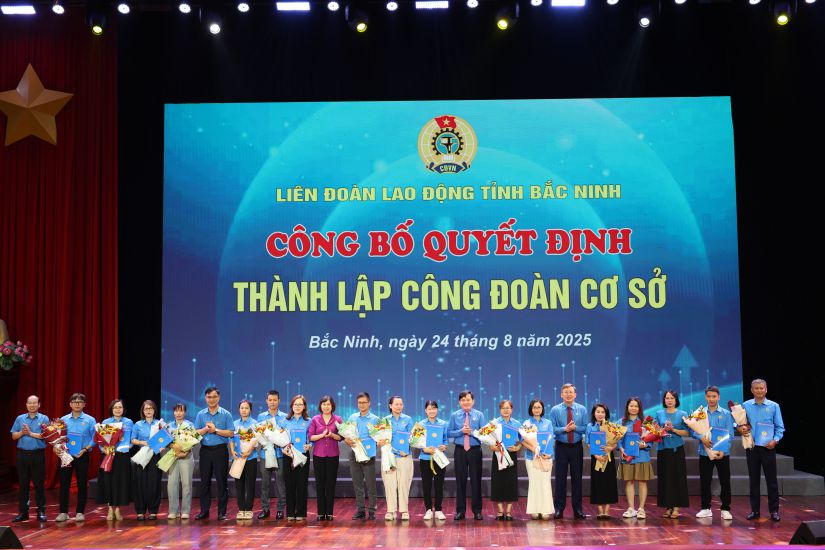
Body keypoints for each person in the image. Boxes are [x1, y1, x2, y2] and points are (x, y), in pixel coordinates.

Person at [739, 378, 785, 522]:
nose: (759, 391)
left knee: (771, 480)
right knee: (754, 480)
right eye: (756, 388)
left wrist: (775, 440)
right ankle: (755, 510)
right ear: (752, 390)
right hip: (752, 447)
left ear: (766, 389)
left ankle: (774, 511)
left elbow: (780, 427)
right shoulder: (745, 405)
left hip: (768, 448)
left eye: (761, 388)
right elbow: (740, 424)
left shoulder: (774, 406)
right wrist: (741, 429)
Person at [693, 385, 734, 521]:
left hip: (722, 453)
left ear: (719, 397)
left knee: (725, 482)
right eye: (709, 396)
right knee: (705, 481)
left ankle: (726, 509)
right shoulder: (700, 413)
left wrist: (724, 450)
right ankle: (705, 508)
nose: (711, 399)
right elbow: (693, 431)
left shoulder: (726, 414)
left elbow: (731, 434)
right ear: (705, 397)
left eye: (714, 396)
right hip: (705, 453)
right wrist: (701, 438)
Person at [194, 386, 235, 521]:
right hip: (205, 451)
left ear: (219, 397)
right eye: (209, 397)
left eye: (214, 397)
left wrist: (216, 430)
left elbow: (230, 432)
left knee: (221, 482)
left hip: (220, 450)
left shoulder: (226, 414)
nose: (211, 399)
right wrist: (205, 429)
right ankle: (204, 511)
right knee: (204, 482)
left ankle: (221, 513)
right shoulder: (201, 414)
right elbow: (195, 433)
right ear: (205, 398)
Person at [549, 383, 588, 519]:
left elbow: (585, 428)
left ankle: (578, 509)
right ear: (561, 394)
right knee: (560, 479)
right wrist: (564, 429)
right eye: (565, 392)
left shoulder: (582, 409)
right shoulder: (555, 410)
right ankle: (559, 509)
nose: (568, 394)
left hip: (577, 447)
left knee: (577, 479)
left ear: (575, 394)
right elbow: (552, 428)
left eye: (571, 392)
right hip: (561, 447)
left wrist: (575, 428)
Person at [57, 392, 97, 522]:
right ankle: (63, 512)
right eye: (74, 401)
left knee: (81, 483)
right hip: (66, 455)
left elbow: (95, 438)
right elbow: (58, 437)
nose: (77, 404)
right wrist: (59, 447)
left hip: (82, 455)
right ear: (70, 404)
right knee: (64, 483)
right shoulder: (63, 420)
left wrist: (85, 449)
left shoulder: (90, 420)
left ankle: (80, 512)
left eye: (80, 402)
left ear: (84, 404)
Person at [447, 390, 486, 521]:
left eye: (468, 399)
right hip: (460, 451)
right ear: (459, 402)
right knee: (460, 481)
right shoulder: (454, 415)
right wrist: (461, 431)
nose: (466, 402)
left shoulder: (479, 415)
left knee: (476, 481)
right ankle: (460, 511)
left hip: (475, 450)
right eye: (463, 400)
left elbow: (484, 433)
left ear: (473, 401)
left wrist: (472, 432)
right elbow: (449, 433)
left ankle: (477, 511)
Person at [10, 395, 49, 523]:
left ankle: (41, 512)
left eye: (34, 403)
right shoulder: (20, 419)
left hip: (38, 455)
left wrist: (31, 433)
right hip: (22, 455)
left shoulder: (44, 418)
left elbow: (46, 436)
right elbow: (14, 436)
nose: (32, 405)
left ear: (39, 405)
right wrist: (22, 432)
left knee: (39, 485)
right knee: (23, 485)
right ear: (26, 405)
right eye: (29, 403)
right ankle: (23, 512)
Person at [617, 397, 654, 519]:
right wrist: (621, 449)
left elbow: (651, 440)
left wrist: (646, 445)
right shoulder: (621, 422)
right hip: (627, 457)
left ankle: (641, 509)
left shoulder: (646, 422)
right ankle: (631, 508)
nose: (633, 408)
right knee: (629, 482)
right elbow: (618, 440)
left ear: (639, 408)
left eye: (636, 406)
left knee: (642, 482)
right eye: (631, 405)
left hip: (642, 456)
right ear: (627, 407)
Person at [96, 399, 133, 521]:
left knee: (120, 483)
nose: (118, 409)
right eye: (115, 407)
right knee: (109, 482)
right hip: (108, 455)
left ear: (123, 409)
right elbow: (100, 440)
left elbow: (131, 439)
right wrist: (103, 449)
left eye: (120, 407)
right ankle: (110, 509)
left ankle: (118, 509)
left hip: (122, 456)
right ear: (111, 409)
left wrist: (127, 446)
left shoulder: (129, 422)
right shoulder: (106, 422)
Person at [656, 390, 690, 519]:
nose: (669, 400)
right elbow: (654, 431)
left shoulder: (683, 414)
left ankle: (676, 507)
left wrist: (673, 430)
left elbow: (687, 433)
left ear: (676, 400)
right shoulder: (659, 414)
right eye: (667, 398)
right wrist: (661, 430)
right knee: (665, 479)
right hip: (663, 450)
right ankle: (668, 506)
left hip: (676, 450)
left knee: (677, 478)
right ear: (664, 400)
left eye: (671, 398)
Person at [345, 392, 379, 521]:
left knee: (371, 484)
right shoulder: (352, 417)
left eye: (364, 402)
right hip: (354, 453)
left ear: (369, 403)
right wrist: (347, 440)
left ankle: (372, 511)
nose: (362, 405)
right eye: (359, 403)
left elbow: (379, 436)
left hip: (369, 454)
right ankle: (360, 510)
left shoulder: (375, 419)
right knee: (357, 483)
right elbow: (346, 434)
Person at [309, 395, 343, 521]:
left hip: (333, 455)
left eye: (328, 404)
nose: (326, 406)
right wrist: (322, 435)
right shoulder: (315, 419)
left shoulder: (337, 419)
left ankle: (329, 513)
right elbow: (311, 437)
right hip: (319, 455)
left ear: (332, 406)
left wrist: (332, 435)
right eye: (324, 404)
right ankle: (320, 512)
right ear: (320, 406)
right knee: (320, 484)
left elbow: (341, 437)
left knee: (330, 484)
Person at [132, 400, 166, 520]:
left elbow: (165, 438)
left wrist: (162, 445)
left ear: (154, 410)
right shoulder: (138, 424)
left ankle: (153, 510)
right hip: (141, 454)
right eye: (146, 409)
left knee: (154, 483)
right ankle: (140, 510)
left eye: (151, 408)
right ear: (143, 411)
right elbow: (133, 440)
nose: (148, 411)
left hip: (155, 455)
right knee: (139, 483)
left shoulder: (160, 424)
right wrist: (142, 442)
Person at [382, 395, 415, 521]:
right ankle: (390, 511)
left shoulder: (408, 419)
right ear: (390, 406)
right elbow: (381, 437)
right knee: (390, 484)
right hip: (389, 457)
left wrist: (406, 450)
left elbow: (412, 438)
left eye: (401, 404)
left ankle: (404, 510)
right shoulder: (384, 420)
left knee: (403, 484)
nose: (399, 406)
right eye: (396, 404)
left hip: (404, 456)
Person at [257, 390, 287, 520]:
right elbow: (259, 434)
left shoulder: (285, 417)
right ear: (266, 401)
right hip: (265, 454)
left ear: (279, 401)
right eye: (270, 400)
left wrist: (278, 441)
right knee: (265, 483)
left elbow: (285, 435)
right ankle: (265, 509)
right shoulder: (261, 417)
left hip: (280, 454)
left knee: (280, 483)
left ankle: (280, 510)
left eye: (275, 400)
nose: (272, 402)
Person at [522, 399, 554, 520]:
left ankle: (545, 510)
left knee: (545, 483)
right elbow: (523, 440)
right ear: (531, 409)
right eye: (534, 407)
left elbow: (551, 440)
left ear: (542, 409)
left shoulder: (548, 423)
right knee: (534, 483)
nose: (537, 409)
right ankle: (534, 510)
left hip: (546, 458)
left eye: (539, 407)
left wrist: (548, 454)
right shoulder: (526, 423)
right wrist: (534, 449)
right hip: (531, 458)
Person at [281, 394, 312, 522]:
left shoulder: (309, 421)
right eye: (295, 404)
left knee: (301, 484)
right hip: (289, 456)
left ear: (304, 406)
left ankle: (300, 512)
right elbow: (279, 438)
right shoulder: (284, 421)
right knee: (289, 485)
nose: (298, 407)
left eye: (300, 404)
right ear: (292, 406)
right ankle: (290, 513)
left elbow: (312, 438)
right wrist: (283, 445)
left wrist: (310, 445)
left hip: (303, 456)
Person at [490, 399, 521, 520]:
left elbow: (523, 439)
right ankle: (499, 511)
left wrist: (518, 447)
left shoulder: (517, 423)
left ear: (512, 410)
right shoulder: (494, 423)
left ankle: (508, 511)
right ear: (500, 410)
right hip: (498, 454)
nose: (506, 410)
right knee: (498, 482)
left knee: (510, 482)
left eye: (508, 408)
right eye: (503, 408)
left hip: (511, 454)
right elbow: (489, 438)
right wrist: (491, 446)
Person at [586, 403, 617, 520]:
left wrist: (610, 448)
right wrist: (596, 455)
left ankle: (607, 511)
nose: (600, 414)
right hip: (597, 458)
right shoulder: (590, 426)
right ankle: (600, 511)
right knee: (598, 483)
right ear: (594, 413)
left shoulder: (610, 426)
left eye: (602, 412)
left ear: (606, 414)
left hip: (608, 457)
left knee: (608, 482)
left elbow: (615, 442)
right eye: (598, 412)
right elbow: (588, 443)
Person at [419, 400, 448, 521]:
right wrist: (424, 449)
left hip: (439, 458)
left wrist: (444, 446)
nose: (432, 411)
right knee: (426, 485)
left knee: (439, 485)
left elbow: (445, 440)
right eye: (429, 409)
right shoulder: (420, 424)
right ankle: (428, 510)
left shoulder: (443, 424)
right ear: (426, 410)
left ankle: (439, 510)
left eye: (434, 408)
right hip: (425, 458)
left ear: (437, 410)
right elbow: (417, 442)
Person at [166, 403, 196, 519]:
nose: (178, 413)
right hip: (173, 456)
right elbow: (166, 441)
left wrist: (185, 451)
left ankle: (185, 511)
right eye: (176, 411)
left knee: (186, 484)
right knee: (171, 484)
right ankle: (173, 510)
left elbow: (193, 440)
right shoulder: (168, 426)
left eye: (181, 411)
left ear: (185, 412)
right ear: (173, 412)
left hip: (186, 456)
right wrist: (174, 447)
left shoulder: (189, 425)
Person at [230, 399, 258, 520]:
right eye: (242, 408)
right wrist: (232, 451)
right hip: (238, 458)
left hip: (251, 458)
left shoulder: (255, 424)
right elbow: (231, 439)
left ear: (250, 410)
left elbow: (257, 440)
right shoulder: (234, 424)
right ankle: (241, 509)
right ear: (239, 409)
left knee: (250, 484)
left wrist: (249, 451)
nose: (244, 410)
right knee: (239, 484)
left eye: (246, 408)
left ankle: (249, 509)